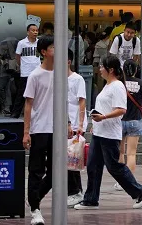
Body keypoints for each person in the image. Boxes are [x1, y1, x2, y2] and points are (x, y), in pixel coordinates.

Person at [75, 55, 142, 211]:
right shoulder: (107, 86)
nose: (100, 69)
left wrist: (103, 117)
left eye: (102, 67)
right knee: (93, 166)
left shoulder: (117, 86)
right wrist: (96, 122)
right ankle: (91, 199)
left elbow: (121, 109)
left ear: (111, 70)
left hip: (110, 134)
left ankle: (139, 192)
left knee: (114, 166)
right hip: (99, 132)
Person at [23, 35, 55, 225]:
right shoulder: (35, 75)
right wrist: (26, 132)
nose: (56, 51)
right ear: (43, 52)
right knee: (36, 170)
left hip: (56, 130)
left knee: (55, 172)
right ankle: (35, 210)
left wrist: (67, 123)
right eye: (52, 48)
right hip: (38, 129)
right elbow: (28, 105)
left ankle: (33, 198)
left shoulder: (61, 74)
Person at [116, 60, 142, 190]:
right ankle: (130, 182)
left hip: (120, 121)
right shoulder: (141, 83)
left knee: (120, 153)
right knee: (132, 154)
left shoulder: (119, 83)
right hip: (135, 121)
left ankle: (120, 182)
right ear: (135, 70)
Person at [67, 49, 87, 207]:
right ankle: (72, 191)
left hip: (74, 124)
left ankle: (76, 192)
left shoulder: (77, 79)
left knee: (72, 159)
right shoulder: (56, 78)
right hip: (63, 124)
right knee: (67, 159)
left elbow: (82, 101)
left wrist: (80, 124)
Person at [11, 22, 40, 118]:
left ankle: (36, 114)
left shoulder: (39, 43)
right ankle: (15, 113)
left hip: (37, 72)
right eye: (33, 30)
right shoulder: (22, 43)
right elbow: (18, 56)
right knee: (22, 93)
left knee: (38, 94)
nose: (35, 32)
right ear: (28, 32)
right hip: (26, 72)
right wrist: (22, 66)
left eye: (36, 30)